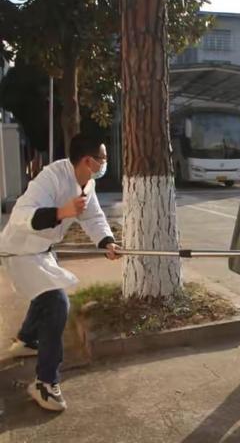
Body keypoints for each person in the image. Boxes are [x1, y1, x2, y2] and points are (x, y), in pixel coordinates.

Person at [0, 133, 121, 412]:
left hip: (42, 250)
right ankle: (45, 383)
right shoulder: (51, 177)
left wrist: (107, 242)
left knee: (44, 295)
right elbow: (21, 213)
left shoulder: (87, 183)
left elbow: (93, 217)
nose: (106, 162)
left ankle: (27, 340)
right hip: (20, 249)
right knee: (55, 302)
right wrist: (60, 212)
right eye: (103, 158)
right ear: (88, 161)